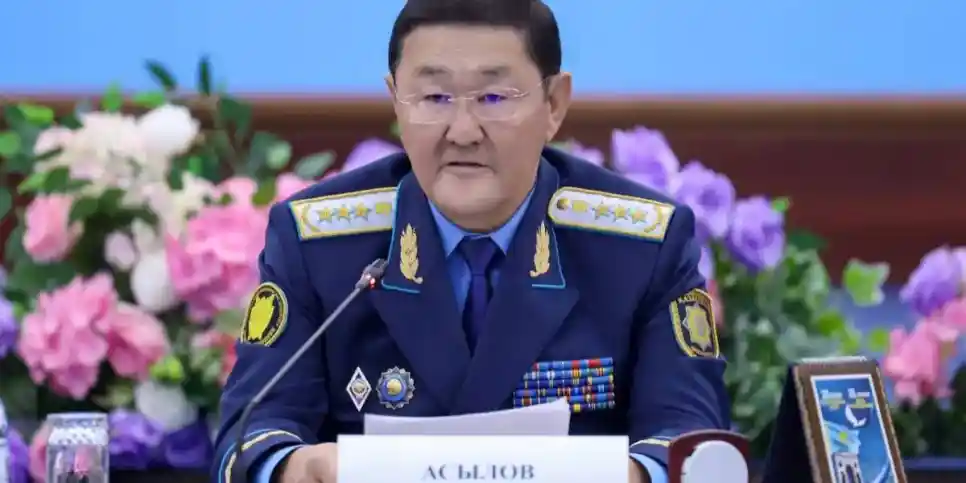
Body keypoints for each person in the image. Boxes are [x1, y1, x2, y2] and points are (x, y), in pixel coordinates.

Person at [211, 1, 730, 482]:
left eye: (493, 98)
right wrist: (297, 466)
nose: (462, 131)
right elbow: (251, 436)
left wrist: (630, 475)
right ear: (396, 101)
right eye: (434, 97)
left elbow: (689, 443)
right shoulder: (318, 243)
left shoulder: (641, 247)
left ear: (554, 104)